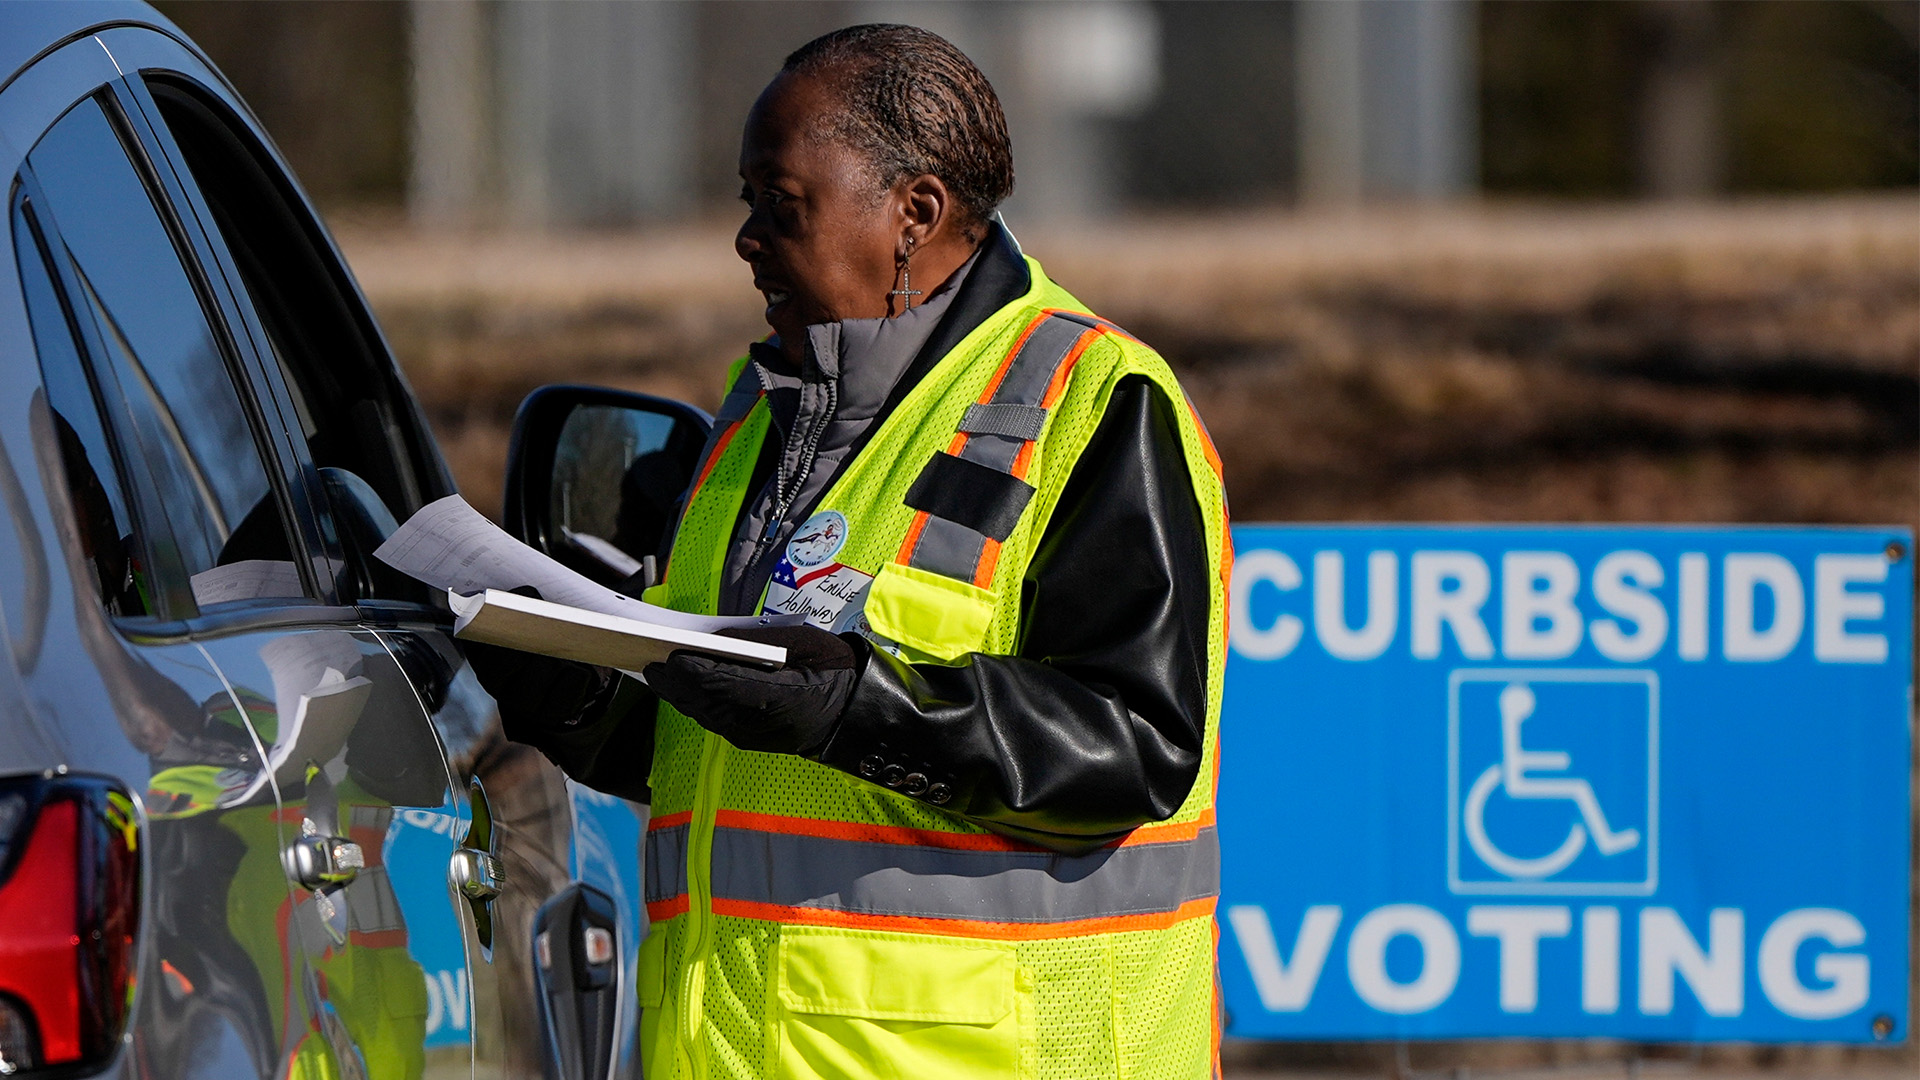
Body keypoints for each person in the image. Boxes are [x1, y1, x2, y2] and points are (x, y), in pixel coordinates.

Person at [480, 24, 1231, 1080]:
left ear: (915, 212)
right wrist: (566, 691)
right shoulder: (759, 416)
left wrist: (855, 708)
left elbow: (1135, 745)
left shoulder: (1094, 402)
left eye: (779, 205)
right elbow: (719, 758)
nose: (746, 239)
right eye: (747, 202)